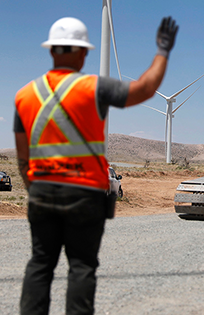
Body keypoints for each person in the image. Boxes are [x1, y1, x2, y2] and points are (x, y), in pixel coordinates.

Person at [14, 16, 178, 315]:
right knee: (82, 267)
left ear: (52, 51)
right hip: (85, 195)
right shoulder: (94, 88)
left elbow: (23, 158)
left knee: (40, 264)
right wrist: (162, 52)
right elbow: (144, 89)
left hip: (42, 192)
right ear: (83, 53)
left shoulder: (24, 95)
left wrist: (35, 188)